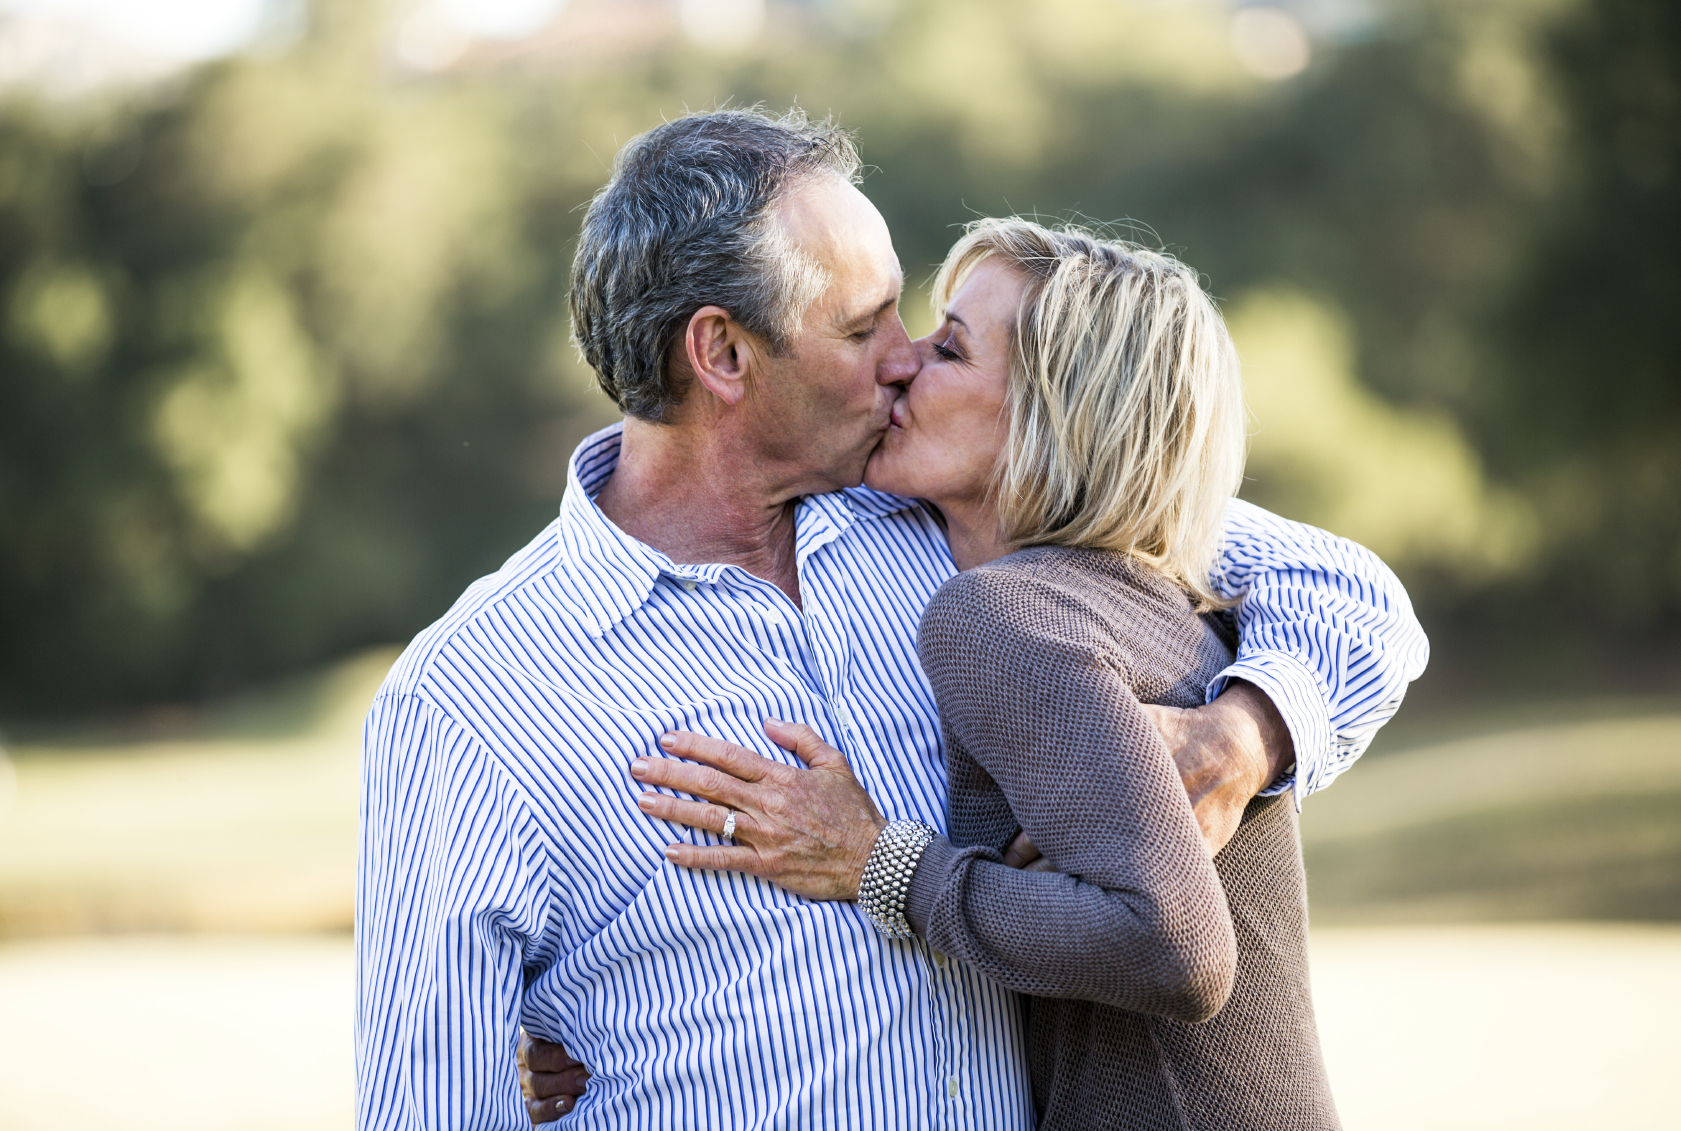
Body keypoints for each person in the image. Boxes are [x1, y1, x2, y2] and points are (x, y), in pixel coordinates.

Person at [358, 107, 1427, 1131]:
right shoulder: (468, 702)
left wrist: (1241, 738)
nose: (907, 354)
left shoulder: (959, 513)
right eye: (865, 327)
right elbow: (432, 1098)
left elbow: (1345, 593)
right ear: (723, 355)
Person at [587, 218, 1342, 1128]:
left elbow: (1173, 948)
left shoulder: (1000, 616)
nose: (902, 365)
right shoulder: (1154, 598)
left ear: (1052, 410)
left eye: (949, 348)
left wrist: (881, 862)